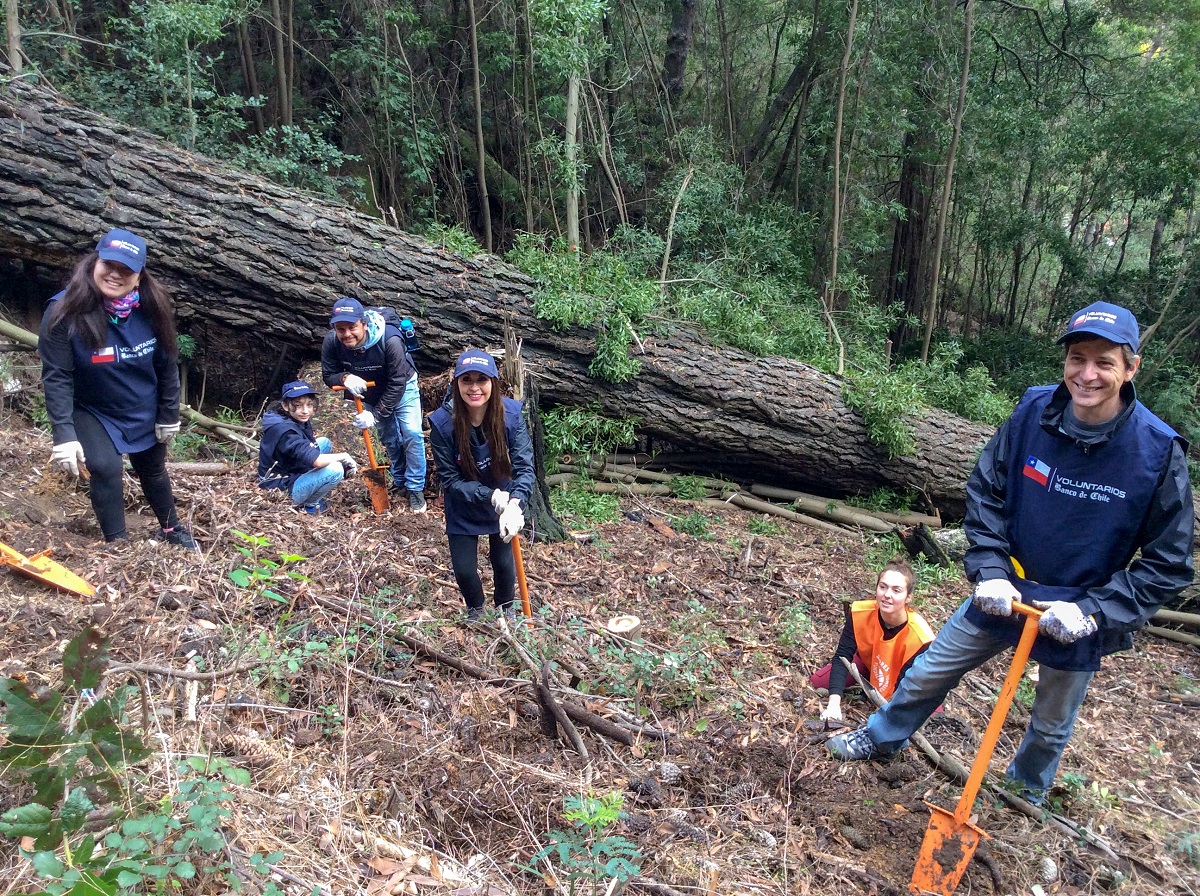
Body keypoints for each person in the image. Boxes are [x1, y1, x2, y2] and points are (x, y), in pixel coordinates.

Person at [827, 301, 1194, 803]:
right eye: (1077, 358)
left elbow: (1168, 563)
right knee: (930, 671)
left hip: (1076, 607)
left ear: (1130, 368)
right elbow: (986, 493)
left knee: (1050, 722)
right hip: (1008, 586)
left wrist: (1092, 611)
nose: (1087, 375)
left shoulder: (1157, 451)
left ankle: (1025, 795)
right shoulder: (1032, 415)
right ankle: (881, 736)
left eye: (1105, 363)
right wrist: (992, 571)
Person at [39, 229, 198, 548]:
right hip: (92, 408)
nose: (115, 274)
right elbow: (57, 376)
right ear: (95, 261)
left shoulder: (152, 306)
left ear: (138, 277)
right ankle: (119, 543)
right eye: (108, 264)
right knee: (105, 466)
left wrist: (168, 412)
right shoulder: (63, 311)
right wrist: (64, 435)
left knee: (152, 467)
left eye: (126, 269)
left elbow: (166, 362)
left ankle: (171, 529)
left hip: (142, 401)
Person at [428, 350, 535, 622]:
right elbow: (450, 480)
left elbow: (524, 466)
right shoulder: (443, 423)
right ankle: (475, 609)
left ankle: (505, 608)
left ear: (493, 383)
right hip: (464, 504)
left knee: (503, 563)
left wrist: (515, 503)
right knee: (464, 569)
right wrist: (489, 496)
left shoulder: (510, 415)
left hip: (504, 505)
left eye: (482, 380)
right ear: (457, 384)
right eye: (466, 380)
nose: (474, 388)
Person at [320, 297, 427, 512]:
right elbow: (328, 374)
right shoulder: (332, 342)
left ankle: (416, 487)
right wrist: (345, 378)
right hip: (369, 391)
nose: (347, 334)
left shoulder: (390, 339)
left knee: (412, 433)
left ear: (364, 324)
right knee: (389, 437)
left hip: (403, 386)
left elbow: (398, 382)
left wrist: (375, 414)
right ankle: (399, 480)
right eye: (341, 329)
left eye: (352, 327)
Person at [810, 560, 935, 723]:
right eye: (883, 587)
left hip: (905, 679)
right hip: (869, 664)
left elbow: (908, 683)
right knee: (818, 682)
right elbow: (842, 657)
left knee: (930, 712)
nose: (887, 595)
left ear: (908, 597)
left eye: (896, 590)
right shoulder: (860, 612)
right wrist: (834, 704)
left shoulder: (921, 637)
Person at [257, 381, 359, 512]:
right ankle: (309, 505)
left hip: (288, 468)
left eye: (309, 405)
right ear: (285, 405)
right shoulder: (285, 431)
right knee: (335, 469)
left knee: (324, 443)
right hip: (279, 487)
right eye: (298, 405)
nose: (305, 411)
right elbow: (317, 461)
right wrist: (344, 456)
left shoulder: (292, 417)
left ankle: (309, 480)